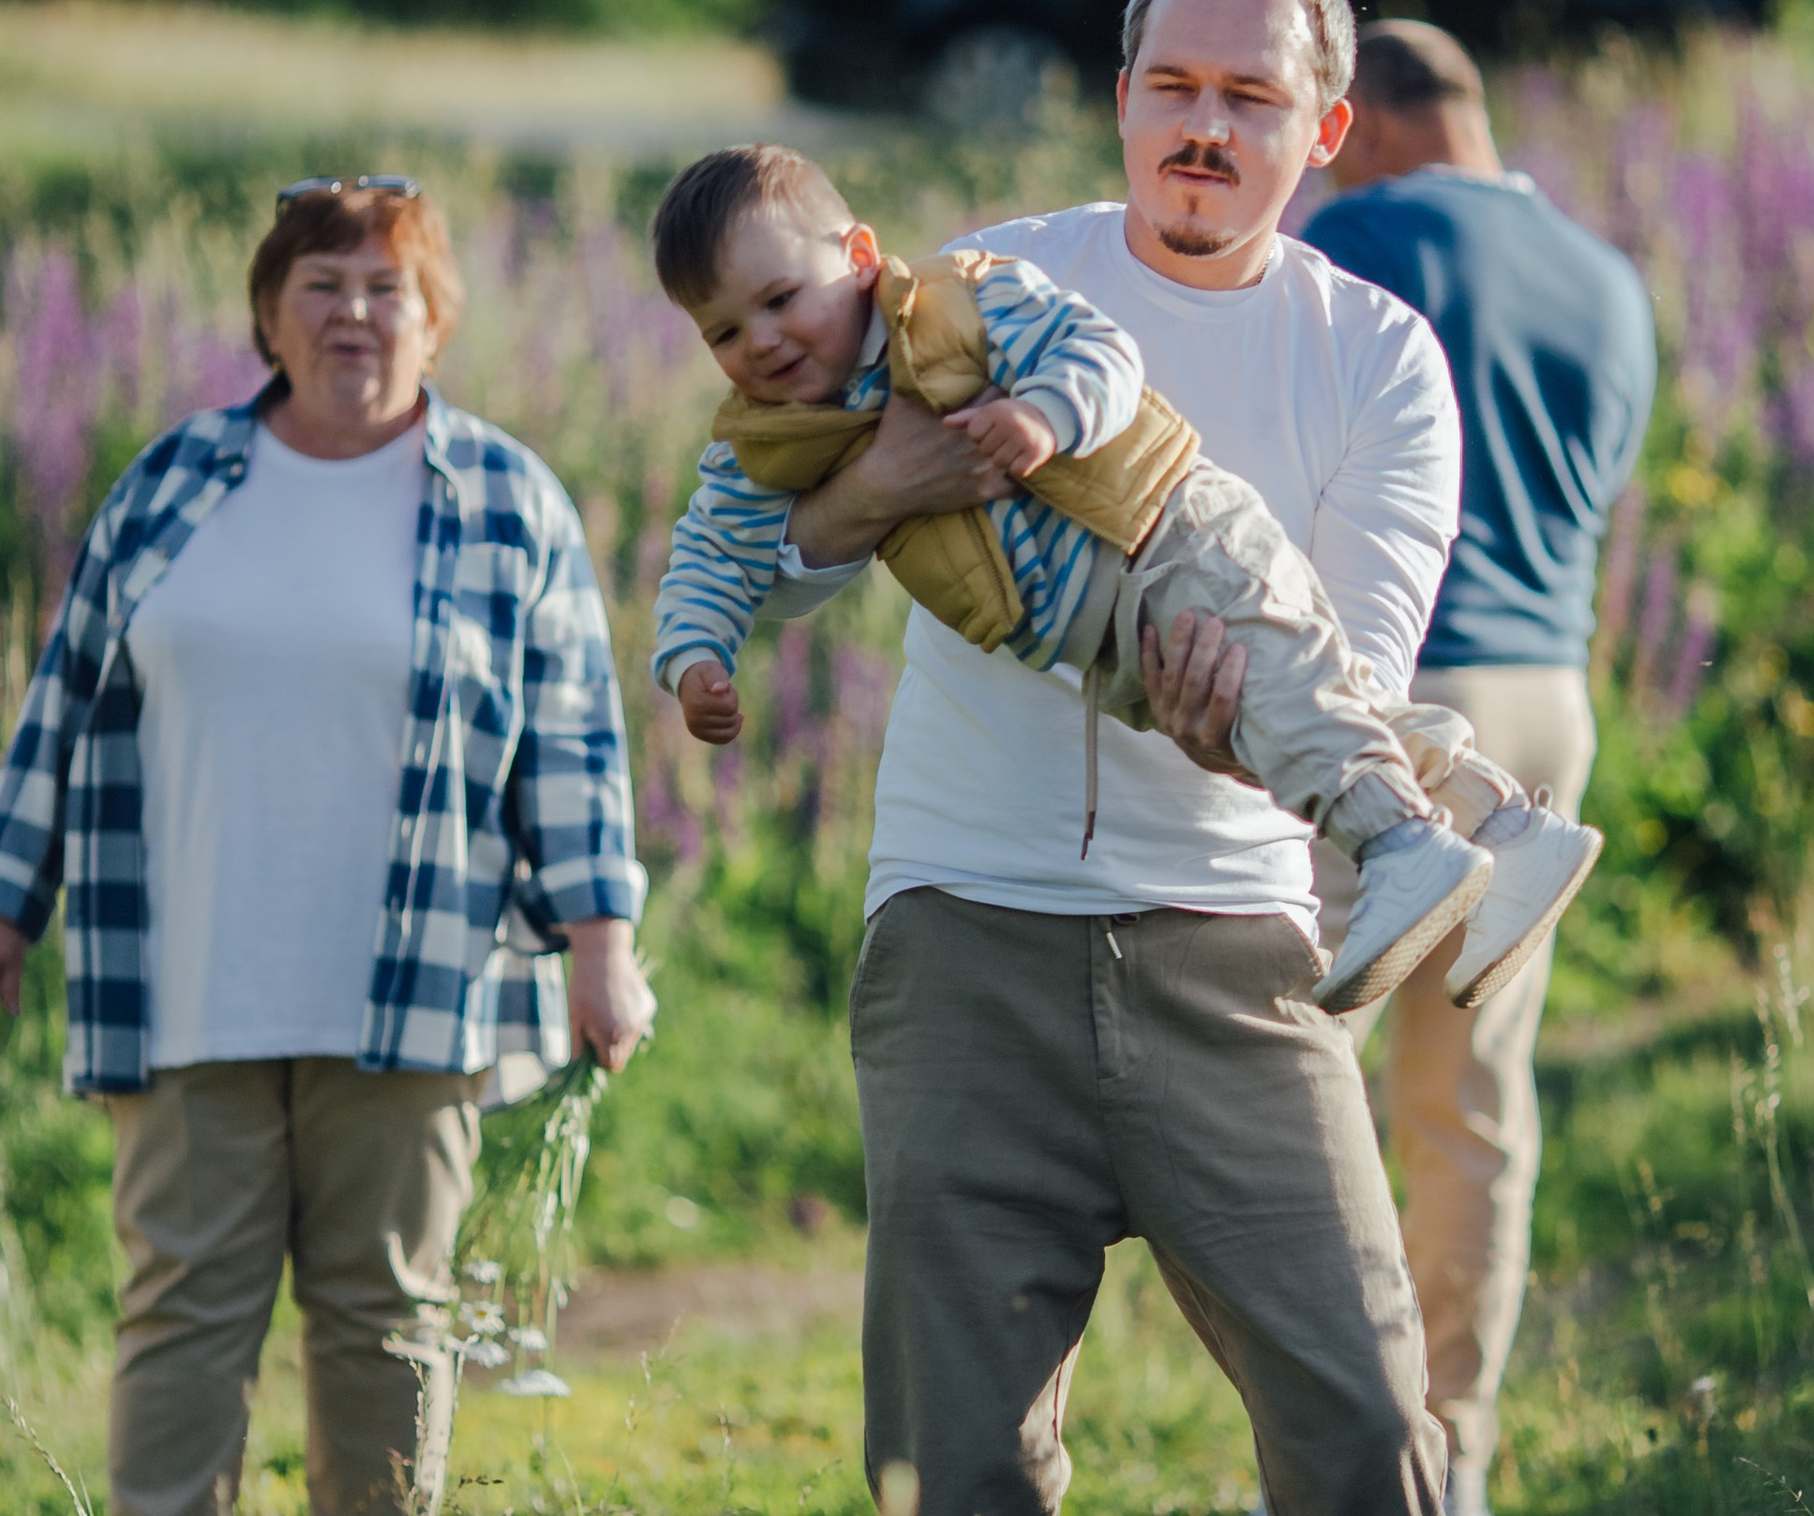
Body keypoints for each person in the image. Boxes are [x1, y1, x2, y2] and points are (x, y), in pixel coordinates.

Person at [753, 0, 1581, 1516]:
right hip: (965, 929)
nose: (1198, 130)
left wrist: (1184, 661)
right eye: (1165, 86)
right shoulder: (963, 283)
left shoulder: (1378, 353)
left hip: (1237, 953)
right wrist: (928, 481)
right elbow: (796, 515)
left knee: (1368, 1449)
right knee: (960, 1486)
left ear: (1321, 134)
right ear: (1116, 99)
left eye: (1246, 100)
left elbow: (1334, 649)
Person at [0, 176, 652, 1516]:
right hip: (182, 960)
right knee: (181, 1309)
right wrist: (1, 898)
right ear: (267, 313)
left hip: (418, 973)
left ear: (436, 315)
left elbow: (576, 745)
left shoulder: (505, 498)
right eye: (320, 283)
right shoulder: (177, 480)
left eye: (386, 286)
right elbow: (67, 700)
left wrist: (605, 940)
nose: (352, 312)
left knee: (388, 1313)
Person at [646, 146, 1598, 1017]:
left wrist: (1046, 418)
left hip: (1162, 536)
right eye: (724, 331)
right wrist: (694, 656)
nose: (761, 342)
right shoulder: (765, 443)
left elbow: (1098, 354)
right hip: (1098, 644)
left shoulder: (957, 302)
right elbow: (711, 553)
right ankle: (1506, 826)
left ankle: (1399, 845)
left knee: (1284, 699)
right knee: (1292, 708)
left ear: (857, 254)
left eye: (779, 299)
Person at [1198, 22, 1653, 1516]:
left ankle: (1331, 1471)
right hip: (1549, 703)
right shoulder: (1609, 277)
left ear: (1366, 123)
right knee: (1474, 1101)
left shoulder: (1366, 232)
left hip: (1394, 712)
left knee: (1282, 1087)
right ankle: (1456, 1455)